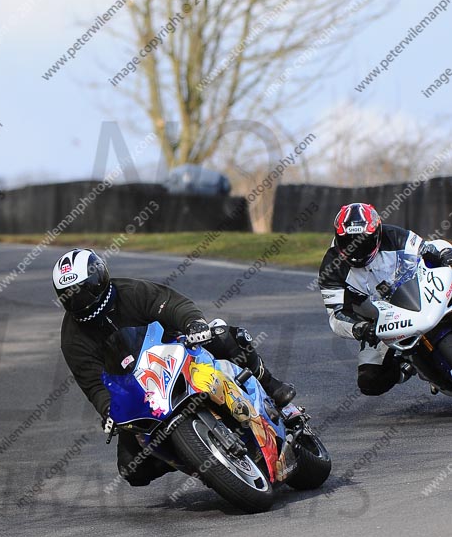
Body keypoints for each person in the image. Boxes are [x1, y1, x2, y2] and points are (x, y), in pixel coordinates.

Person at [54, 248, 295, 486]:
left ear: (99, 280)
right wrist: (108, 410)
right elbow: (93, 384)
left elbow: (172, 304)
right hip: (137, 391)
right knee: (131, 468)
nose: (78, 300)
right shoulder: (73, 339)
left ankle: (271, 385)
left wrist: (194, 324)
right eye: (69, 295)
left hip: (174, 350)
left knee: (224, 337)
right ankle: (196, 458)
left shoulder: (130, 292)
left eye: (83, 290)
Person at [318, 202, 452, 396]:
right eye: (350, 243)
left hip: (419, 296)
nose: (357, 251)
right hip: (380, 323)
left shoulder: (397, 236)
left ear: (377, 234)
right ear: (338, 238)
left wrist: (446, 256)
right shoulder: (331, 269)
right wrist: (360, 329)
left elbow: (429, 249)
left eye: (364, 242)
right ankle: (407, 367)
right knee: (370, 381)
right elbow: (337, 315)